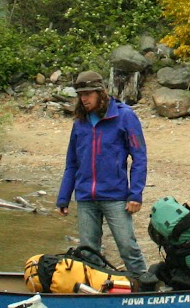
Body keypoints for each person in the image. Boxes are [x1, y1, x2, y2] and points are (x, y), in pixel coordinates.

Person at [55, 70, 154, 286]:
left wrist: (135, 194)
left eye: (88, 94)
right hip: (85, 197)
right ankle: (95, 290)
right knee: (88, 253)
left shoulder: (124, 116)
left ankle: (146, 287)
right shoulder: (80, 122)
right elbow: (72, 163)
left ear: (101, 92)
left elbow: (139, 157)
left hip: (116, 196)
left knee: (127, 247)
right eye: (81, 95)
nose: (84, 99)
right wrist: (63, 197)